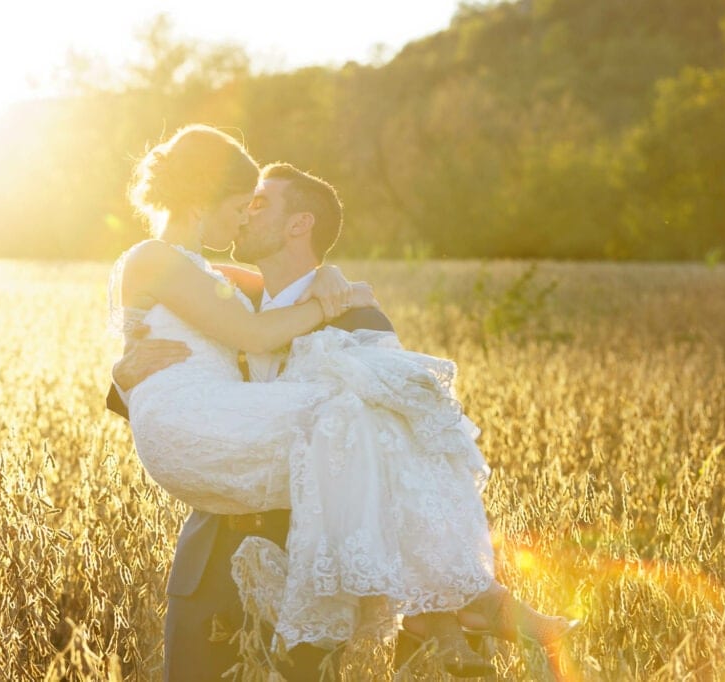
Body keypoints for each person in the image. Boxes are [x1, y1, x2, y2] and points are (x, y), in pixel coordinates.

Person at [106, 124, 575, 679]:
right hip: (212, 562)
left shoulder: (356, 313)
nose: (246, 214)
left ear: (298, 224)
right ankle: (475, 604)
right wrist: (122, 377)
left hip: (310, 563)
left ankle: (461, 604)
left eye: (260, 204)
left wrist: (330, 287)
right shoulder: (232, 297)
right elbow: (185, 347)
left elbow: (400, 435)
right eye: (243, 203)